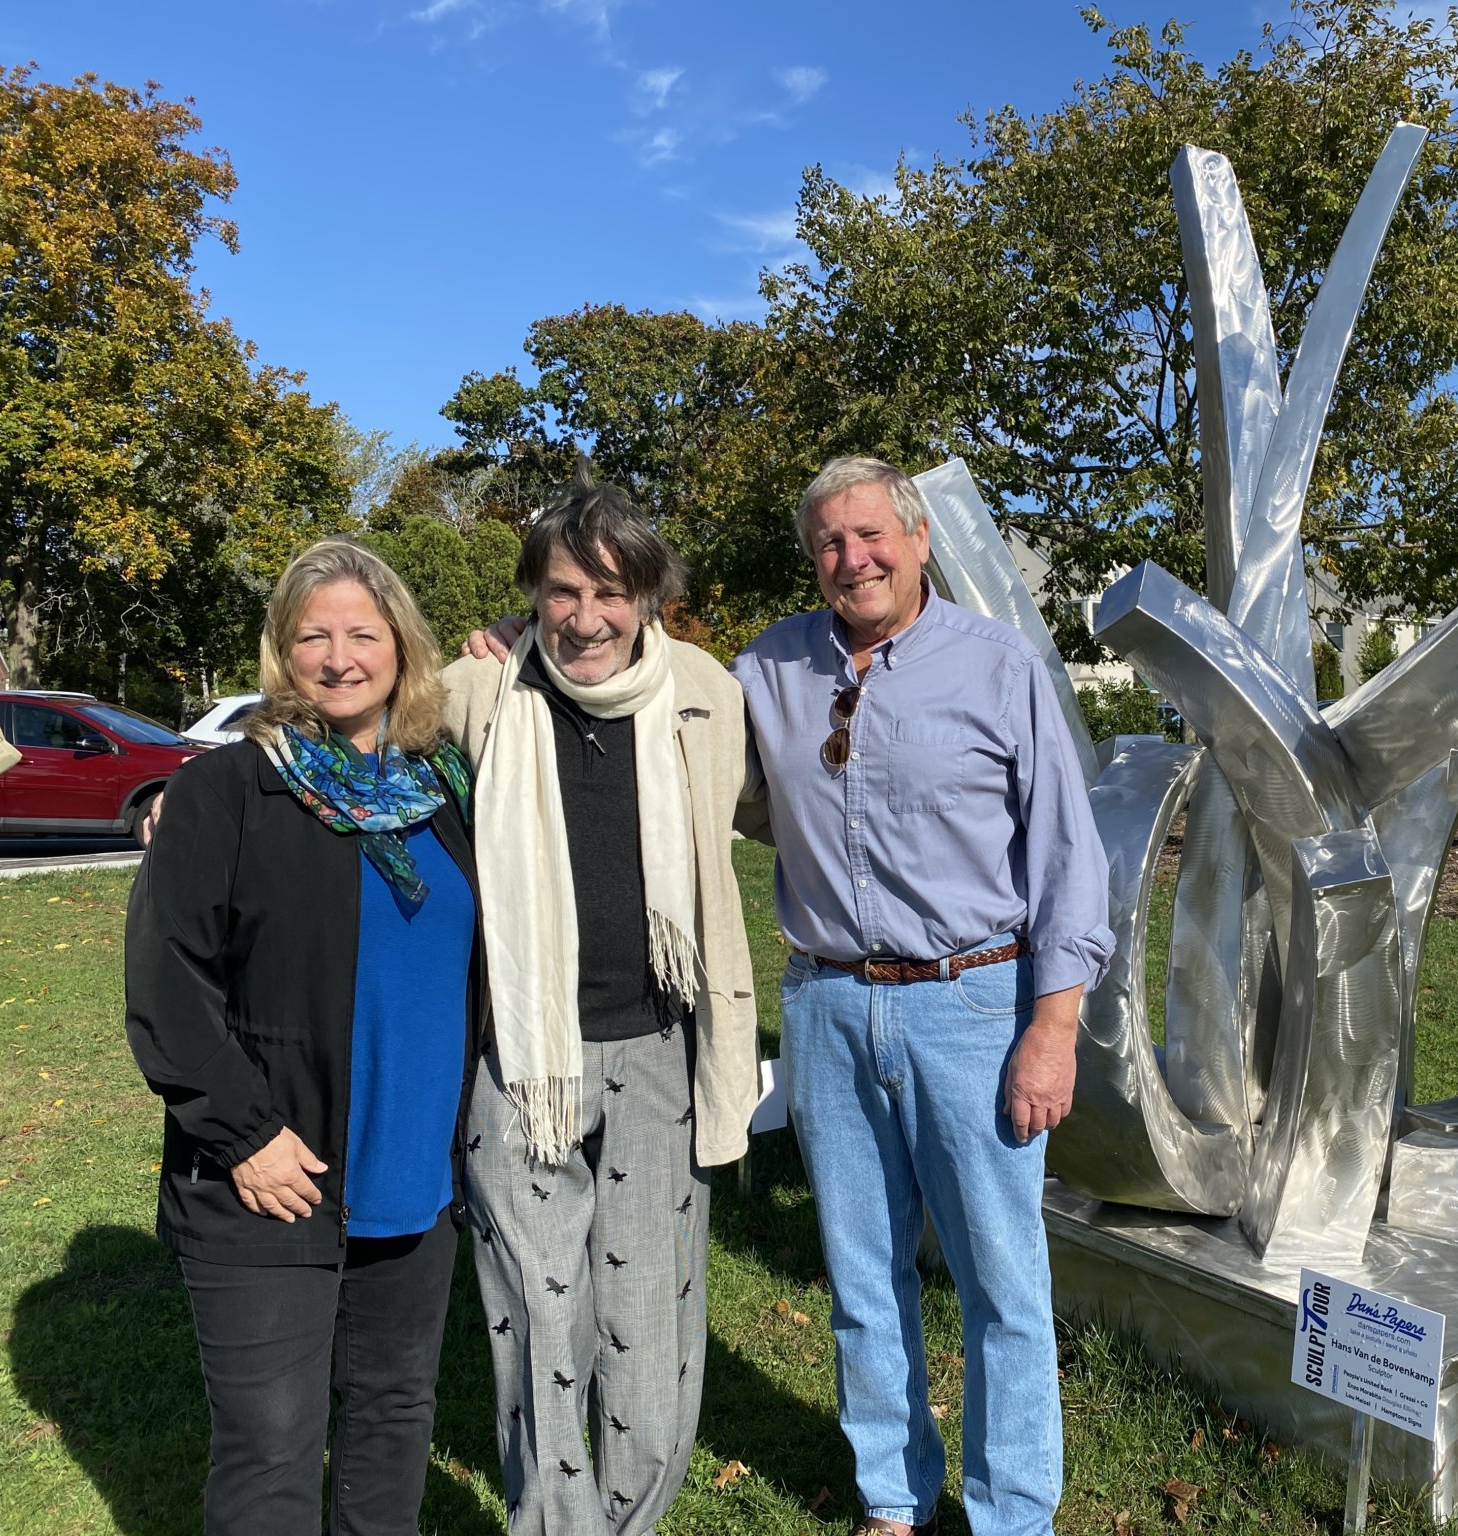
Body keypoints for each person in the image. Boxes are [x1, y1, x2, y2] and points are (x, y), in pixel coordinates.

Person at [732, 457, 1113, 1536]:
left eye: (869, 536)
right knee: (860, 1276)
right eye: (828, 544)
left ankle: (1010, 1511)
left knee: (1000, 1281)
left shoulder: (997, 665)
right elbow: (656, 717)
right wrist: (508, 653)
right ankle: (891, 1498)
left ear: (917, 539)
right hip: (827, 1005)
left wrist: (1053, 1025)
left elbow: (1064, 856)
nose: (851, 559)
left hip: (974, 1005)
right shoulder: (766, 669)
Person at [125, 540, 482, 1536]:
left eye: (361, 634)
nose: (337, 657)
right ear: (282, 655)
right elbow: (164, 984)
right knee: (270, 1457)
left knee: (391, 1428)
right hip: (271, 1182)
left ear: (402, 648)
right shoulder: (227, 792)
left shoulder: (442, 790)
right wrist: (241, 1135)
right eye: (311, 636)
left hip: (414, 1182)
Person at [438, 461, 756, 1534]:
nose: (585, 617)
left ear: (648, 598)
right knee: (538, 1318)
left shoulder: (709, 694)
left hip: (659, 1051)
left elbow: (786, 808)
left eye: (609, 591)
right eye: (563, 590)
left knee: (650, 1325)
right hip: (524, 1059)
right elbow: (357, 752)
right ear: (531, 593)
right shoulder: (479, 689)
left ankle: (632, 1519)